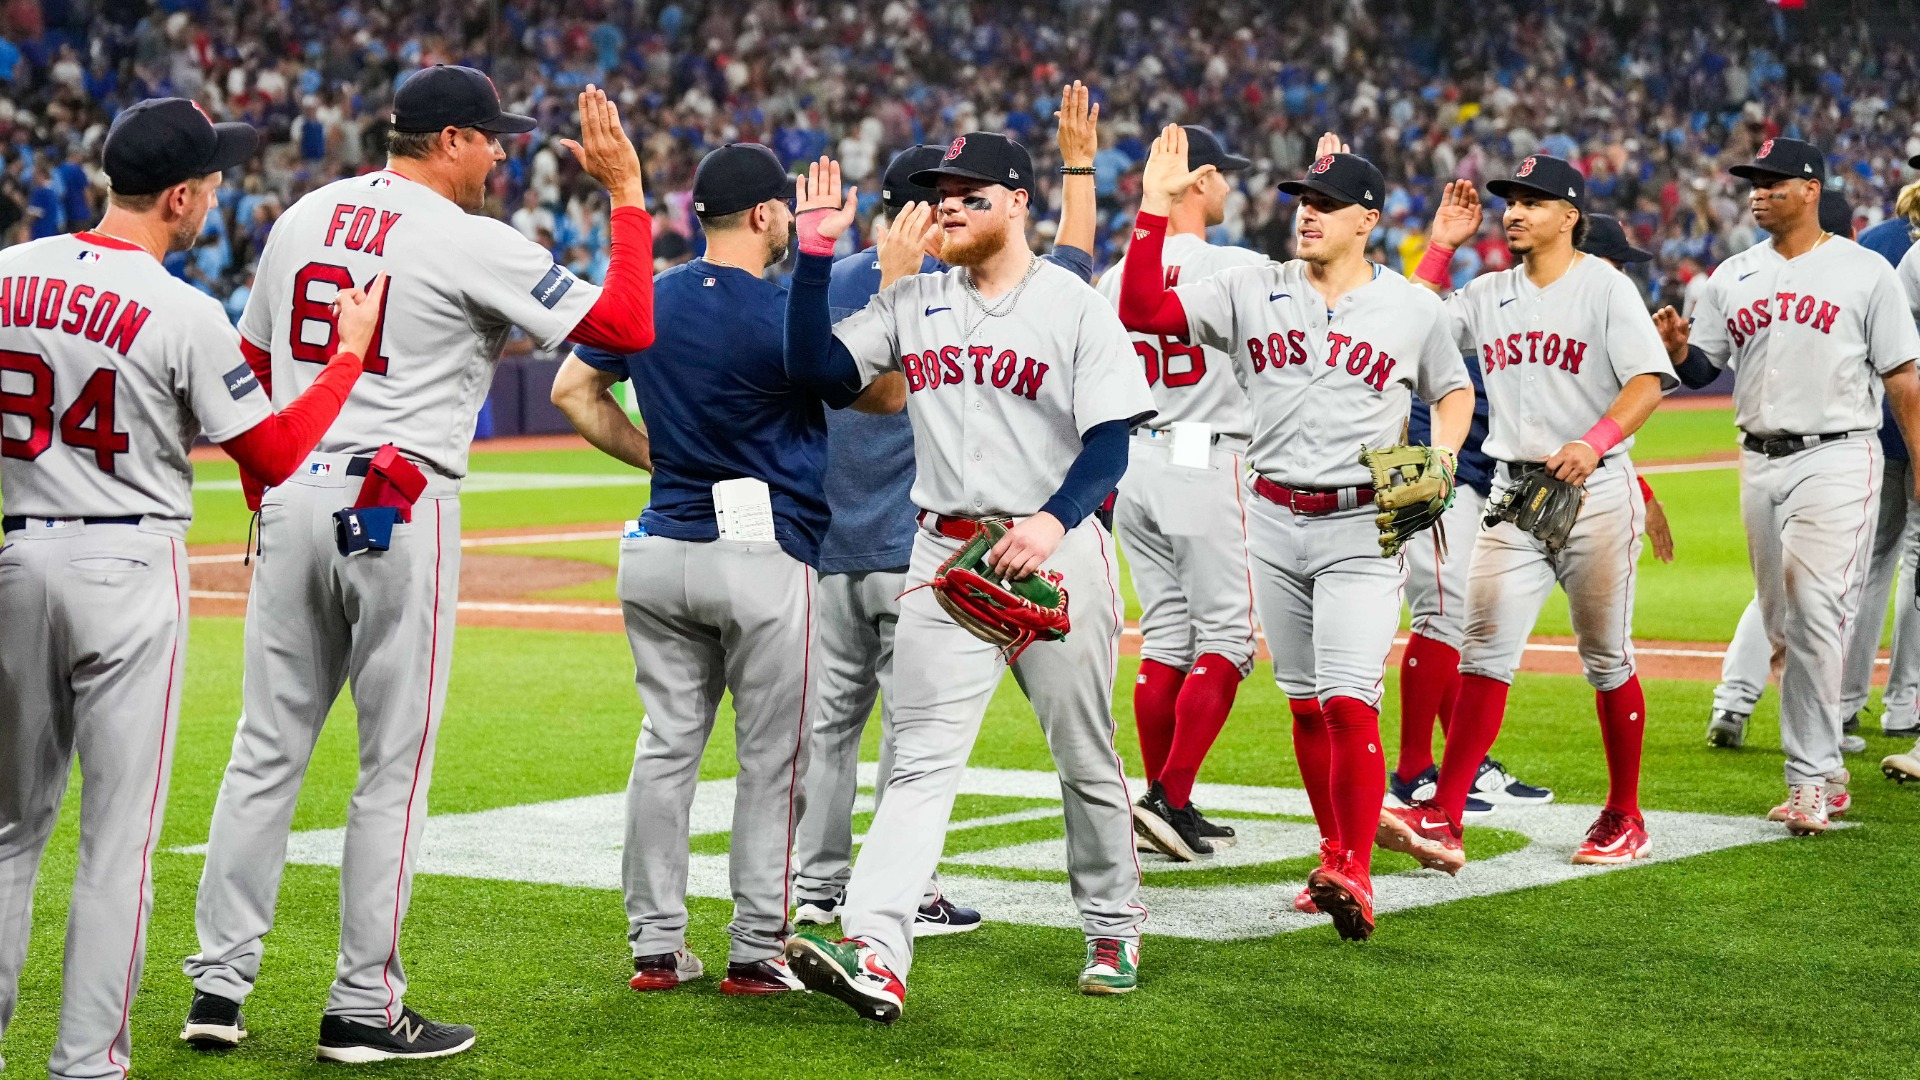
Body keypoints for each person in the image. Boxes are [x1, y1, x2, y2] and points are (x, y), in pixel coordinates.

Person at [181, 69, 658, 1062]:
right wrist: (626, 195)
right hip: (397, 502)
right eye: (492, 140)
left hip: (295, 492)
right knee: (390, 770)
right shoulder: (469, 236)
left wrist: (271, 504)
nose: (504, 156)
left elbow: (257, 372)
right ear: (448, 139)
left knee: (263, 752)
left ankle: (217, 992)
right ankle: (363, 1006)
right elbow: (623, 331)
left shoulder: (303, 214)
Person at [0, 98, 375, 1080]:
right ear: (179, 196)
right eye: (210, 179)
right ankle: (86, 1064)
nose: (218, 191)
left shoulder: (7, 274)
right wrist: (341, 360)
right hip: (127, 565)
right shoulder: (182, 309)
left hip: (17, 557)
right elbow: (279, 452)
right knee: (115, 844)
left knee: (6, 834)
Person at [782, 138, 1155, 1021]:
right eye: (935, 194)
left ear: (1018, 202)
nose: (945, 206)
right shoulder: (914, 297)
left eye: (966, 194)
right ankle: (875, 946)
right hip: (942, 556)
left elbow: (1111, 438)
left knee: (1083, 751)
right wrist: (813, 258)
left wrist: (1054, 519)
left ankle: (1112, 921)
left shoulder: (1071, 303)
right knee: (916, 763)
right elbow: (818, 372)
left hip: (1053, 553)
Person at [550, 141, 906, 998]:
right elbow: (887, 395)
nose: (788, 217)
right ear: (763, 214)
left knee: (666, 749)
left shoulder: (651, 297)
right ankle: (755, 950)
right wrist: (892, 285)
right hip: (762, 556)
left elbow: (571, 391)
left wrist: (662, 459)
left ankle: (656, 948)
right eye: (782, 206)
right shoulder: (788, 311)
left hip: (657, 548)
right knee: (771, 761)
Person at [1118, 128, 1472, 939]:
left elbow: (1451, 392)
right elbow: (1143, 309)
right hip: (1272, 515)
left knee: (1350, 700)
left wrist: (1442, 459)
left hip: (1360, 519)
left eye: (1325, 203)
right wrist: (1152, 204)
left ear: (1368, 220)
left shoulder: (1412, 306)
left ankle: (1353, 868)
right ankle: (1334, 852)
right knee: (1307, 707)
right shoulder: (1254, 287)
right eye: (1301, 202)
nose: (1307, 215)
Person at [1381, 154, 1676, 872]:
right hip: (1516, 491)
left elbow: (1648, 381)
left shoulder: (1605, 287)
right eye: (1510, 200)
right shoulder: (1486, 294)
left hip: (1595, 486)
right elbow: (1409, 331)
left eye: (1532, 201)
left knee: (1606, 656)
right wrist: (1442, 245)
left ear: (1570, 215)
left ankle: (1624, 813)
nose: (1514, 211)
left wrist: (1597, 438)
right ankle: (1445, 817)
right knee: (1483, 650)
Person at [1654, 138, 1920, 834]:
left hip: (1837, 454)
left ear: (1810, 188)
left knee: (1813, 606)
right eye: (1752, 180)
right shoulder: (1730, 275)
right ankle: (1827, 763)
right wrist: (1681, 349)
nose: (1757, 190)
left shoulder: (1865, 273)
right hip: (1758, 459)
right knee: (1779, 621)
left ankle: (1808, 781)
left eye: (1772, 181)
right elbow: (1706, 366)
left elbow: (1902, 379)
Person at [1091, 124, 1262, 862]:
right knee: (1226, 636)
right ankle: (1171, 795)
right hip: (1202, 450)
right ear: (1198, 181)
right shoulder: (1237, 265)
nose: (1231, 187)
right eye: (1223, 175)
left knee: (1166, 634)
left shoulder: (1116, 273)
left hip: (1134, 458)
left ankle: (1166, 803)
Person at [1703, 192, 1915, 754]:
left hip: (1846, 450)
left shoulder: (1875, 253)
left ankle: (1773, 726)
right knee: (1816, 593)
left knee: (1813, 592)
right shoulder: (1872, 262)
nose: (1757, 192)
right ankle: (1877, 710)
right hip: (1845, 442)